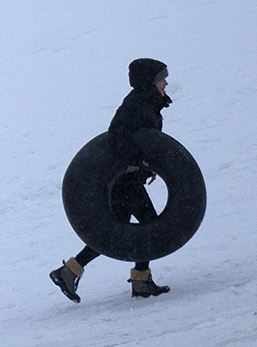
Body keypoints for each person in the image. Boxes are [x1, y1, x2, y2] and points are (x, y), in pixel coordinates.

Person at [50, 59, 173, 301]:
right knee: (149, 227)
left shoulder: (145, 103)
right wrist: (136, 163)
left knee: (113, 234)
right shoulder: (137, 105)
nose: (165, 82)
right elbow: (117, 138)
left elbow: (143, 139)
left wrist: (149, 165)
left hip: (127, 180)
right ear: (149, 81)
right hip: (124, 182)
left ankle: (69, 271)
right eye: (161, 77)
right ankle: (140, 280)